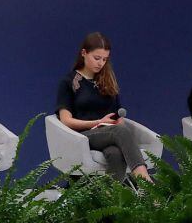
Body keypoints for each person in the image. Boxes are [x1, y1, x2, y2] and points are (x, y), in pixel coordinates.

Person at [56, 32, 153, 185]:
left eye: (104, 59)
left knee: (114, 153)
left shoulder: (108, 80)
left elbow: (118, 116)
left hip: (108, 134)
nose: (100, 63)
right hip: (82, 136)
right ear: (84, 53)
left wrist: (117, 125)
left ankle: (109, 202)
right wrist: (98, 122)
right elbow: (66, 121)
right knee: (118, 131)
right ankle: (146, 183)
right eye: (96, 58)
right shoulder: (69, 82)